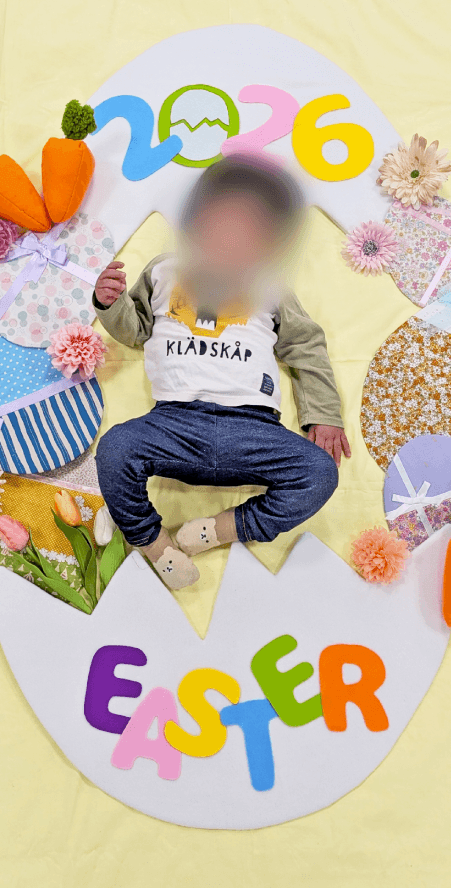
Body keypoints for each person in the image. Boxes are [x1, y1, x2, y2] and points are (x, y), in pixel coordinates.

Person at [93, 155, 349, 589]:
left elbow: (305, 344)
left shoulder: (269, 283)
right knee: (115, 449)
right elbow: (135, 330)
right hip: (174, 422)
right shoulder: (163, 270)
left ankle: (216, 530)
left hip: (254, 430)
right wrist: (108, 302)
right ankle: (157, 546)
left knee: (320, 473)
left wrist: (322, 413)